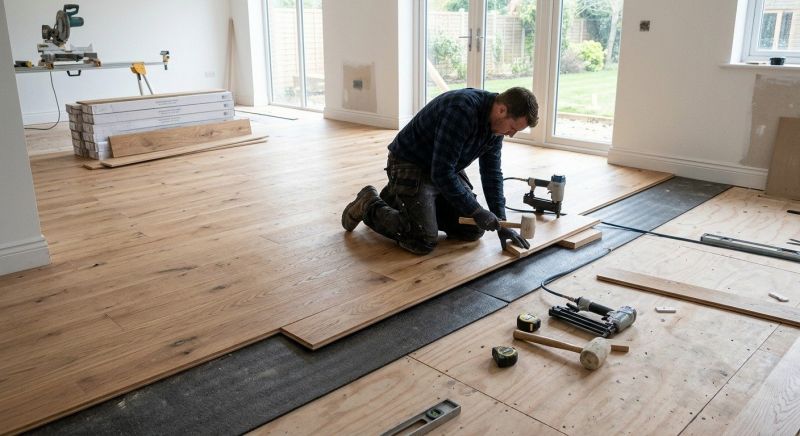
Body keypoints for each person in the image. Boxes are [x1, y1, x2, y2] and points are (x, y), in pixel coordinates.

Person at [341, 87, 538, 255]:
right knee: (422, 239)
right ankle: (368, 202)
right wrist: (476, 210)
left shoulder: (496, 128)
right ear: (502, 110)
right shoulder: (462, 110)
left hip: (442, 168)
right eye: (513, 127)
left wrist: (501, 221)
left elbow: (491, 174)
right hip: (410, 165)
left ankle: (399, 199)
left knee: (474, 229)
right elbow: (442, 172)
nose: (511, 134)